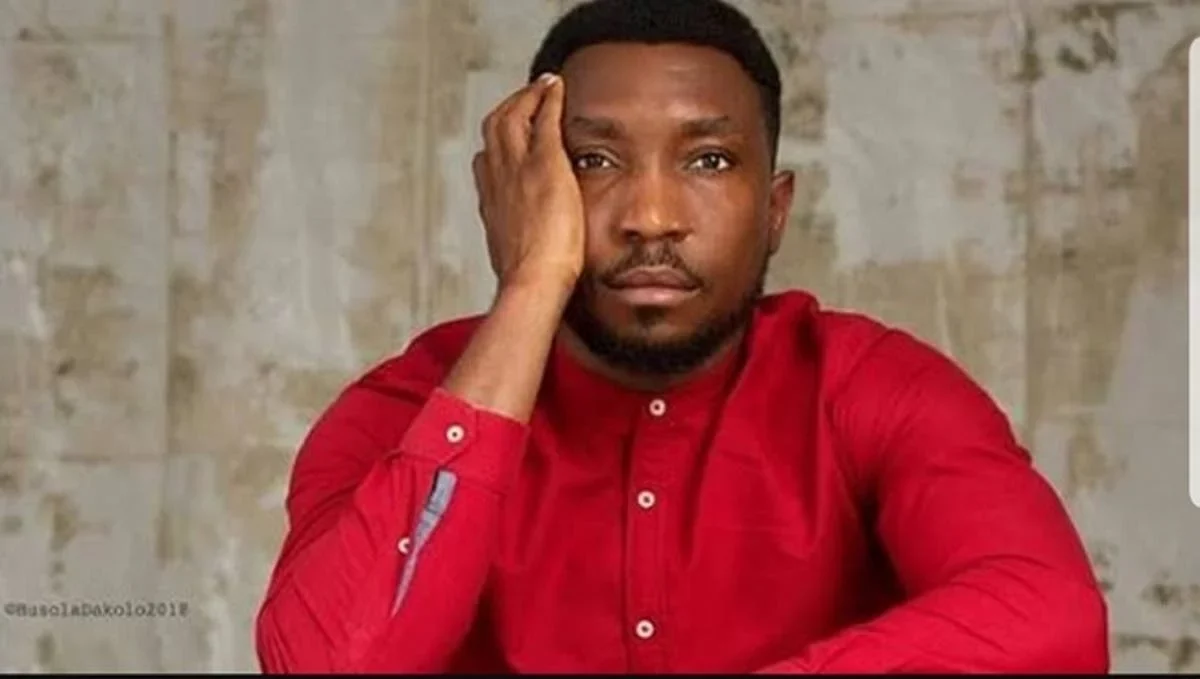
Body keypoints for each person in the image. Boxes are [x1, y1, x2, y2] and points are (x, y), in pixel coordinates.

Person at [253, 0, 1109, 673]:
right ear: (521, 191)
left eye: (708, 160)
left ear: (775, 210)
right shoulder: (405, 408)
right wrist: (532, 283)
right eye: (593, 161)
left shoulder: (872, 387)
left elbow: (1053, 619)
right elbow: (329, 662)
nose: (651, 216)